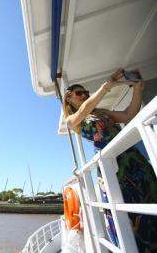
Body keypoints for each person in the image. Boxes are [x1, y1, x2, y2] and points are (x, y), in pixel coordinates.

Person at [62, 68, 157, 252]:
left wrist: (138, 89)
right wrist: (107, 86)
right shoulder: (73, 120)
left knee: (150, 194)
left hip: (133, 159)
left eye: (86, 93)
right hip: (114, 168)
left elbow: (129, 114)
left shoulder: (101, 112)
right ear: (69, 98)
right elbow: (84, 109)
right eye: (79, 93)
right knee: (130, 208)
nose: (84, 95)